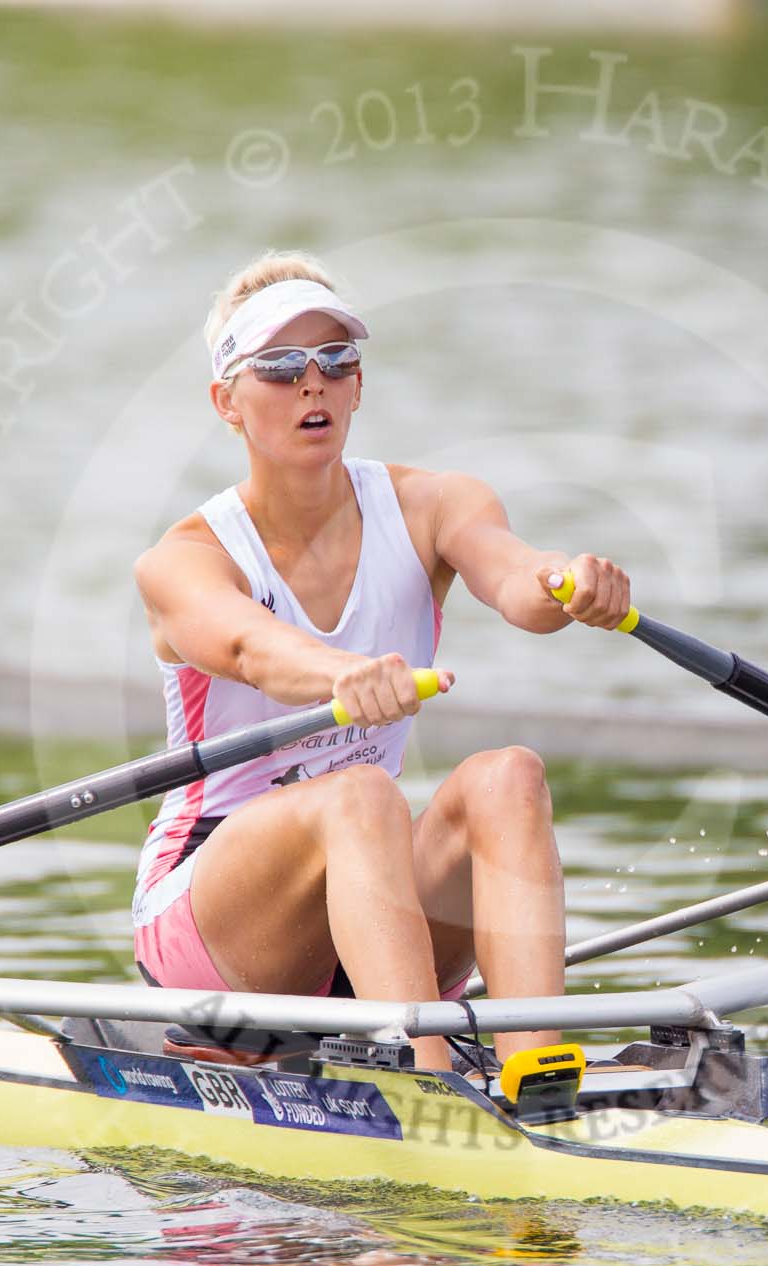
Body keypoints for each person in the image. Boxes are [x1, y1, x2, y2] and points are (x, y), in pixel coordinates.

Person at [131, 251, 633, 1072]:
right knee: (363, 793)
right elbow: (248, 647)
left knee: (508, 774)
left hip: (372, 904)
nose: (313, 384)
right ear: (227, 400)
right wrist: (339, 675)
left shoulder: (434, 504)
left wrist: (569, 583)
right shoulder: (183, 558)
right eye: (282, 366)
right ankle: (432, 1085)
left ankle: (538, 1073)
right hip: (217, 930)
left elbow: (517, 581)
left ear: (358, 385)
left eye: (336, 361)